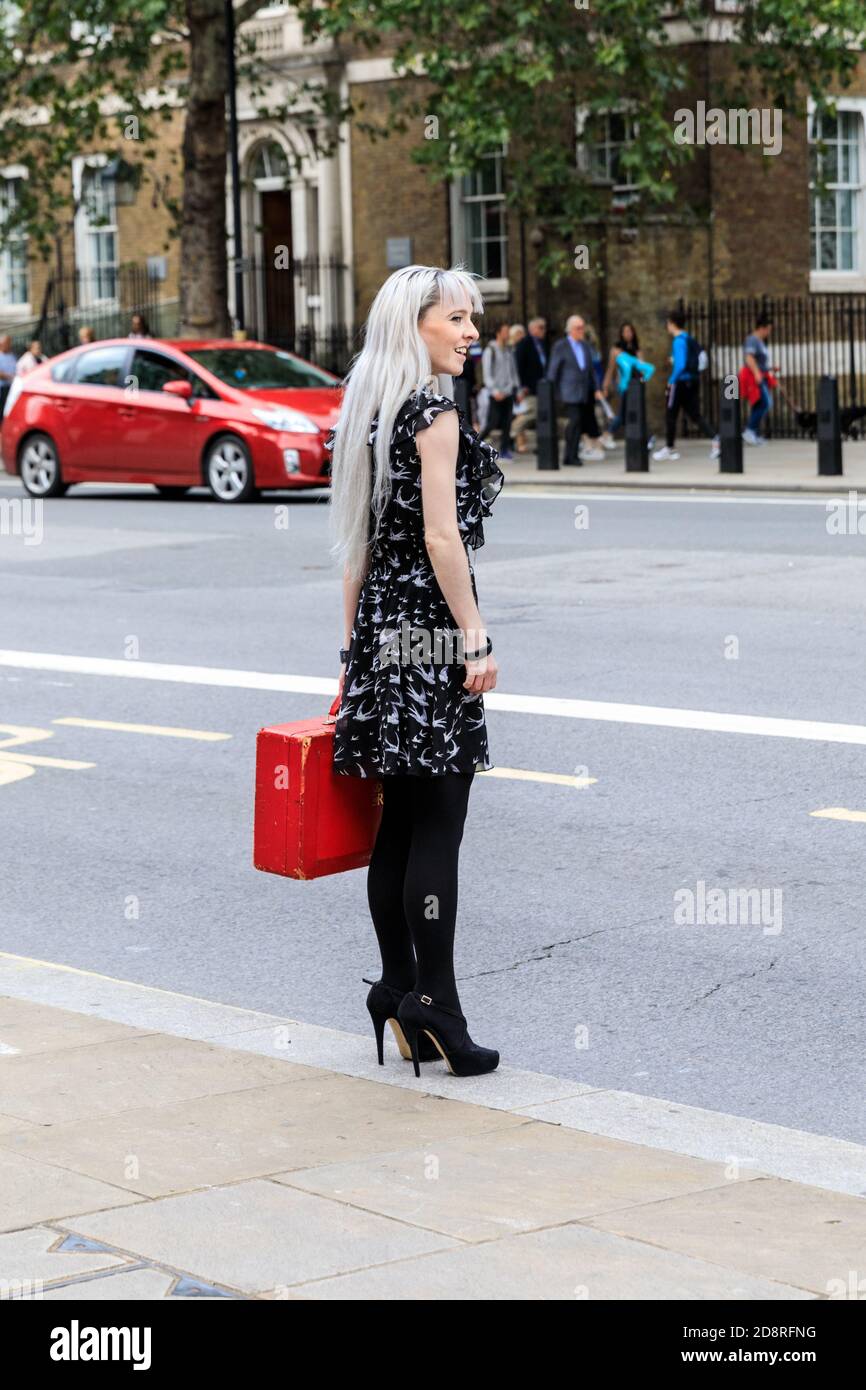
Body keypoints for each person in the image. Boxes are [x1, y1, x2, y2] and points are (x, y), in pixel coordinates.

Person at [325, 263, 505, 1079]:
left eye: (473, 319)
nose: (472, 332)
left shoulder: (373, 409)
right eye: (458, 319)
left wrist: (350, 656)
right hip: (430, 632)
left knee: (399, 819)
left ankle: (399, 984)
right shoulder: (432, 410)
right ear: (417, 325)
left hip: (381, 634)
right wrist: (473, 635)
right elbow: (442, 539)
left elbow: (355, 548)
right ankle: (435, 1003)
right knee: (439, 819)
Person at [653, 310, 719, 462]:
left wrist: (671, 380)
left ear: (672, 323)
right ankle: (716, 439)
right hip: (692, 381)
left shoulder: (678, 341)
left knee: (671, 415)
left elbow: (681, 365)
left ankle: (670, 448)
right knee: (695, 414)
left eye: (668, 324)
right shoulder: (689, 338)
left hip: (680, 382)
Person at [546, 314, 605, 465]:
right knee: (574, 422)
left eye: (582, 327)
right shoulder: (561, 346)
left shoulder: (585, 346)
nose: (582, 331)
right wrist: (550, 390)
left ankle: (572, 455)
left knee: (578, 423)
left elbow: (591, 370)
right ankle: (570, 456)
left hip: (584, 392)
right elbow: (553, 370)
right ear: (570, 329)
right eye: (578, 328)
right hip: (569, 392)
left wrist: (597, 388)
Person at [479, 321, 520, 459]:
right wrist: (495, 391)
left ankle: (504, 450)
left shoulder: (509, 350)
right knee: (493, 422)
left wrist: (516, 389)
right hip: (495, 394)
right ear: (498, 332)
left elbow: (513, 372)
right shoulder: (490, 350)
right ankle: (474, 444)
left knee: (507, 423)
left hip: (508, 393)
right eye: (505, 331)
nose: (508, 334)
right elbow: (487, 374)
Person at [513, 315, 548, 454]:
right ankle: (512, 431)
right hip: (529, 387)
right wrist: (522, 387)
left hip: (542, 387)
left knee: (542, 416)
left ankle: (541, 444)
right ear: (532, 329)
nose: (543, 330)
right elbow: (518, 366)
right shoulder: (524, 343)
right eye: (541, 327)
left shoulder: (543, 344)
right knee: (531, 414)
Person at [742, 313, 775, 445]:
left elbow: (760, 360)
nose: (768, 332)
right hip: (754, 376)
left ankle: (753, 432)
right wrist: (757, 374)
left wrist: (770, 368)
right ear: (762, 328)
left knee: (758, 403)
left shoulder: (759, 342)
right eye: (768, 329)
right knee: (766, 402)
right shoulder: (752, 340)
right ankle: (749, 431)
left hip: (761, 374)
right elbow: (749, 358)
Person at [0, 335, 18, 417]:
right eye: (7, 343)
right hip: (3, 388)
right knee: (3, 409)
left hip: (13, 386)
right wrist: (12, 377)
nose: (9, 345)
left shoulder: (12, 355)